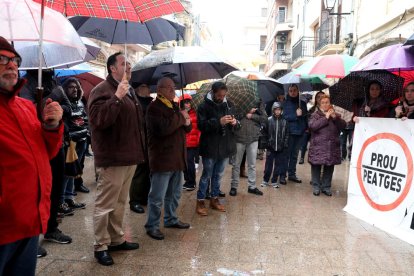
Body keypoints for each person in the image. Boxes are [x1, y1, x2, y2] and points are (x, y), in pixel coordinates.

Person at [0, 36, 63, 275]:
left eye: (15, 60)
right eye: (2, 59)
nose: (12, 65)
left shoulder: (26, 107)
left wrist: (51, 125)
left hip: (31, 220)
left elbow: (46, 153)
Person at [88, 52, 145, 266]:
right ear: (112, 68)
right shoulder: (102, 90)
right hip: (113, 158)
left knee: (121, 202)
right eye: (123, 63)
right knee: (105, 204)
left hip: (129, 156)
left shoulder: (127, 89)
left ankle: (116, 239)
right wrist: (117, 98)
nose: (128, 66)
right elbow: (98, 121)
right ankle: (100, 245)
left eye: (129, 63)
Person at [20, 70, 74, 250]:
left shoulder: (54, 80)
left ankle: (51, 228)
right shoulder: (26, 82)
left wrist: (56, 108)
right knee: (35, 191)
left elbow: (68, 107)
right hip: (35, 144)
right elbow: (29, 109)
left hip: (56, 140)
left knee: (56, 187)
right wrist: (54, 96)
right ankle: (31, 238)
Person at [144, 77, 192, 240]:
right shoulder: (154, 108)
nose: (174, 91)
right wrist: (180, 117)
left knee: (175, 194)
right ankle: (152, 225)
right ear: (160, 90)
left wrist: (186, 119)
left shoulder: (174, 106)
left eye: (174, 88)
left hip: (177, 158)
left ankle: (171, 219)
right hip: (162, 158)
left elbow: (187, 128)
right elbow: (163, 129)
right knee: (157, 196)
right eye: (170, 88)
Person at [196, 81, 240, 216]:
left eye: (223, 95)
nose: (221, 98)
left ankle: (214, 199)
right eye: (219, 95)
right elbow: (201, 126)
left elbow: (238, 125)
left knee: (218, 175)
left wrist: (234, 123)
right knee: (206, 175)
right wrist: (218, 122)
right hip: (210, 146)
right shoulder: (203, 106)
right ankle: (201, 201)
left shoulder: (229, 104)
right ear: (213, 93)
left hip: (225, 146)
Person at [308, 95, 346, 196]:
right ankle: (316, 186)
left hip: (331, 146)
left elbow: (343, 126)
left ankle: (326, 187)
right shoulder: (315, 115)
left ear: (330, 104)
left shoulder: (335, 115)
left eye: (327, 102)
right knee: (316, 166)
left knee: (329, 166)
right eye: (323, 102)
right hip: (318, 146)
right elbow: (313, 126)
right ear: (320, 104)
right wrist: (326, 118)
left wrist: (335, 118)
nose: (325, 104)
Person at [61, 77, 88, 210]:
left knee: (74, 172)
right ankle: (61, 201)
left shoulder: (80, 102)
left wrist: (87, 133)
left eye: (77, 87)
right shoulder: (63, 104)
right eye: (71, 87)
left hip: (82, 140)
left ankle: (69, 198)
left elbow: (85, 118)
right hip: (70, 142)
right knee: (66, 173)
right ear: (65, 89)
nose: (75, 89)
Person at [229, 101, 267, 196]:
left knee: (252, 164)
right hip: (238, 137)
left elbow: (265, 119)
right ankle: (234, 186)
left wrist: (252, 116)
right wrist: (246, 112)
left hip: (253, 137)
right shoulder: (237, 101)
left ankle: (252, 186)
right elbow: (232, 117)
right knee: (236, 164)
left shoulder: (259, 102)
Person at [129, 83, 153, 214]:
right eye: (145, 86)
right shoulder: (134, 102)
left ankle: (144, 197)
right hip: (138, 141)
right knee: (139, 172)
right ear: (138, 88)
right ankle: (134, 201)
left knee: (148, 170)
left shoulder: (150, 102)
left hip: (149, 141)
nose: (148, 88)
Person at [282, 84, 308, 184]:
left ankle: (292, 174)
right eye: (291, 91)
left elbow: (305, 116)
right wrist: (295, 115)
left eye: (295, 90)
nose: (293, 92)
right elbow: (284, 117)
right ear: (288, 92)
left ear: (298, 91)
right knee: (287, 155)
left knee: (295, 155)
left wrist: (305, 127)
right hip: (289, 132)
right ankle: (283, 175)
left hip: (299, 132)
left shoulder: (302, 103)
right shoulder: (284, 103)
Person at [261, 102, 289, 188]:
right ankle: (265, 180)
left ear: (281, 111)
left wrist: (285, 144)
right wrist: (266, 143)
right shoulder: (268, 120)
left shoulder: (285, 121)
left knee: (278, 165)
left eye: (279, 109)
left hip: (280, 148)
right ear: (273, 110)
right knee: (268, 165)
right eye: (276, 109)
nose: (277, 111)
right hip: (270, 147)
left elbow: (287, 134)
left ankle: (274, 180)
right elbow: (264, 133)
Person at [180, 94, 201, 191]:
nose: (187, 105)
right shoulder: (179, 113)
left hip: (193, 143)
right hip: (182, 142)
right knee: (184, 163)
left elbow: (198, 128)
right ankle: (187, 181)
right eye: (184, 103)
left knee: (189, 162)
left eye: (188, 103)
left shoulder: (195, 113)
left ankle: (192, 182)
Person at [298, 91, 325, 164]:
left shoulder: (327, 110)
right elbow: (307, 117)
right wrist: (307, 127)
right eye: (318, 97)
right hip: (309, 129)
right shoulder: (312, 108)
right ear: (315, 99)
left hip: (320, 132)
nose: (320, 98)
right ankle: (302, 157)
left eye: (322, 97)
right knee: (304, 142)